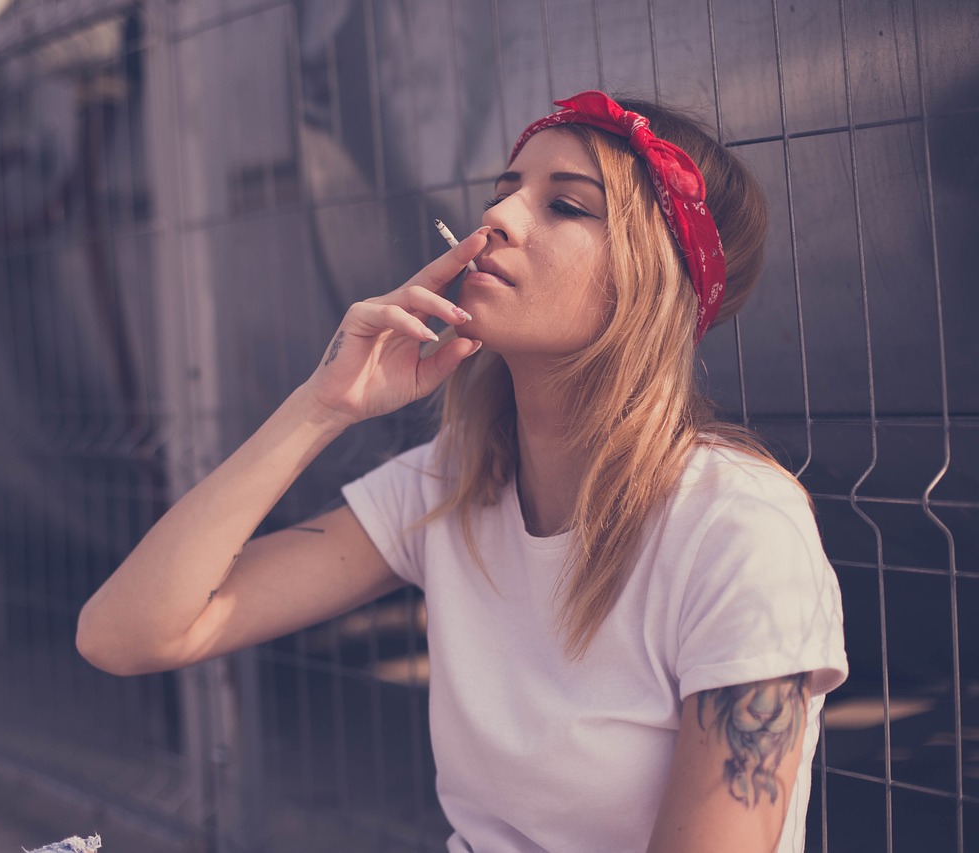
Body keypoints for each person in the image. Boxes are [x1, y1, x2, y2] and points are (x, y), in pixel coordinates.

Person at [77, 91, 848, 853]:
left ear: (652, 277)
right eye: (503, 193)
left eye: (566, 206)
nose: (497, 219)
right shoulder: (453, 482)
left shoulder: (737, 528)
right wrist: (321, 406)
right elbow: (126, 634)